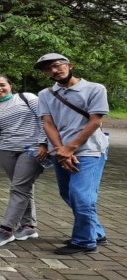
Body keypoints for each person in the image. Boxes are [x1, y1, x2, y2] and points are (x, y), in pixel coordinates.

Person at [34, 53, 109, 255]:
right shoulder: (45, 94)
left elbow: (95, 121)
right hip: (60, 151)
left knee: (81, 196)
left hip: (90, 150)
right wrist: (61, 150)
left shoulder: (95, 88)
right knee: (67, 193)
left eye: (57, 66)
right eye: (47, 69)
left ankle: (84, 241)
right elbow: (48, 123)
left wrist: (71, 148)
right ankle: (96, 232)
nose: (54, 71)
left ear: (70, 65)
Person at [0, 75, 46, 247]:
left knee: (19, 188)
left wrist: (44, 143)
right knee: (22, 187)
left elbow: (46, 119)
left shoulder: (27, 98)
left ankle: (6, 230)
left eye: (2, 85)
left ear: (10, 85)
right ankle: (28, 226)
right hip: (5, 149)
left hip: (31, 149)